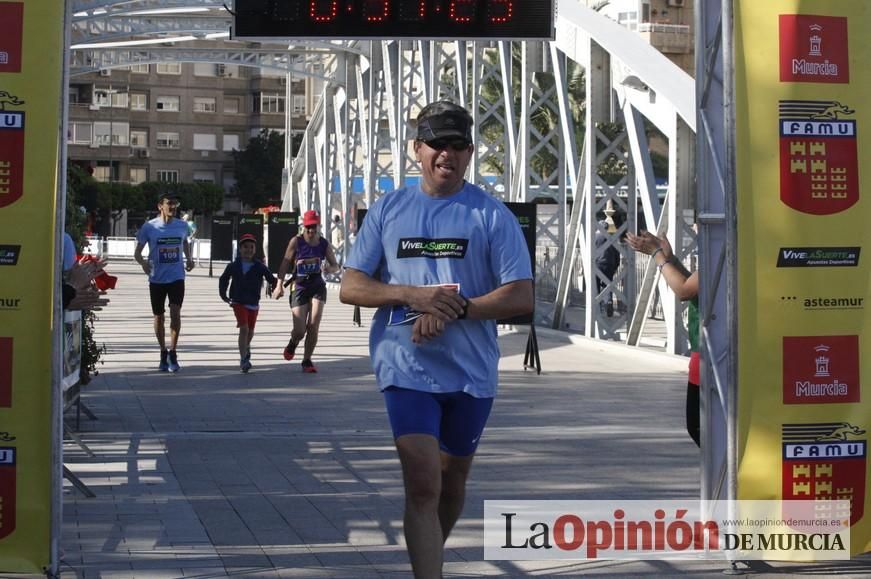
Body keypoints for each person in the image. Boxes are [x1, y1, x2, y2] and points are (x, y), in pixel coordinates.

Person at [339, 100, 534, 579]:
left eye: (458, 146)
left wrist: (457, 308)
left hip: (470, 373)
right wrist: (411, 295)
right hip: (405, 368)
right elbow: (351, 286)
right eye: (436, 145)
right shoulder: (388, 210)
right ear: (416, 149)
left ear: (469, 153)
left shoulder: (491, 215)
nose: (447, 154)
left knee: (451, 482)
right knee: (423, 484)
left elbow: (522, 295)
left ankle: (429, 551)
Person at [627, 229, 700, 447]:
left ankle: (725, 474)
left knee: (698, 425)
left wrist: (658, 256)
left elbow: (685, 290)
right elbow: (696, 285)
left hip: (712, 354)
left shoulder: (726, 252)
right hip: (707, 351)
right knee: (700, 425)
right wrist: (671, 259)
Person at [271, 209, 340, 373]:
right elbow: (285, 262)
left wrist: (329, 269)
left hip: (317, 286)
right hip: (299, 287)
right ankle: (293, 342)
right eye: (308, 227)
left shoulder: (324, 244)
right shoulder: (296, 242)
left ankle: (307, 360)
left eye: (313, 227)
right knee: (300, 330)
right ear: (303, 226)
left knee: (314, 325)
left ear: (318, 226)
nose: (310, 230)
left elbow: (335, 265)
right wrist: (279, 284)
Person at [134, 193, 194, 373]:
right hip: (157, 278)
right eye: (169, 204)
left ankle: (173, 352)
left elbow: (185, 243)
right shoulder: (149, 227)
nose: (173, 207)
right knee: (159, 316)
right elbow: (137, 253)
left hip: (177, 277)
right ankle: (162, 351)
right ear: (160, 206)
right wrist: (143, 263)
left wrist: (189, 258)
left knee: (175, 312)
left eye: (175, 204)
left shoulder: (182, 226)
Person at [219, 233, 277, 373]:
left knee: (250, 331)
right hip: (238, 301)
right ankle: (244, 359)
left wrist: (276, 286)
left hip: (253, 302)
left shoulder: (259, 266)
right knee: (244, 328)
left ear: (255, 250)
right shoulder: (233, 266)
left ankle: (246, 346)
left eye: (251, 247)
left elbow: (271, 278)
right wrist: (224, 295)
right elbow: (224, 279)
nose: (248, 250)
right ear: (240, 249)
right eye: (245, 247)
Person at [594, 220, 620, 317]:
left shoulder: (594, 237)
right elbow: (617, 253)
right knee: (607, 285)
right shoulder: (612, 238)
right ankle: (608, 302)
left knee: (595, 286)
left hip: (597, 264)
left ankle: (597, 307)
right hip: (609, 264)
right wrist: (616, 265)